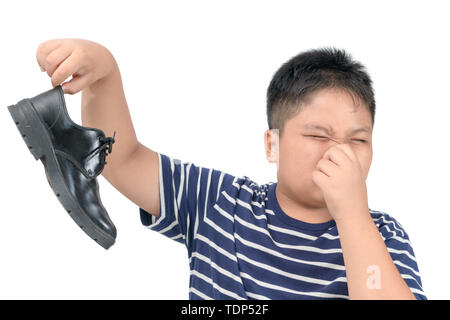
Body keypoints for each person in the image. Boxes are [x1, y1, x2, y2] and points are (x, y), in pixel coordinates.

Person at [36, 38, 426, 300]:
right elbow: (121, 159)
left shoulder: (383, 237)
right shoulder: (220, 202)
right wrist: (104, 74)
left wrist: (354, 215)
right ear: (272, 144)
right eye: (319, 135)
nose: (339, 154)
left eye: (358, 140)